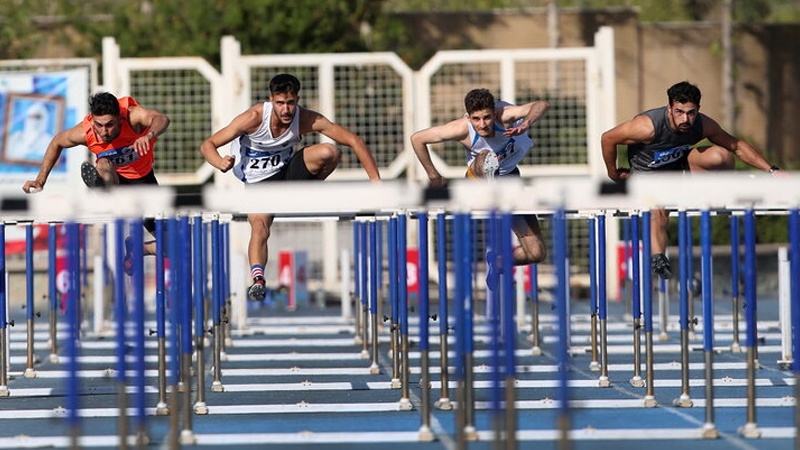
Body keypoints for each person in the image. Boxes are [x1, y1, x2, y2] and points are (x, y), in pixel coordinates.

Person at [199, 73, 381, 301]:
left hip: (287, 174)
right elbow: (208, 145)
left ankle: (305, 193)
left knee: (330, 152)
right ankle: (258, 279)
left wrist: (377, 185)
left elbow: (355, 141)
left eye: (291, 103)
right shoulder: (254, 117)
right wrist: (219, 162)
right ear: (271, 100)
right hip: (258, 184)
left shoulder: (305, 118)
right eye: (280, 103)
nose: (286, 110)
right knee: (259, 228)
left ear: (297, 100)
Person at [601, 80, 781, 279]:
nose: (685, 119)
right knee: (658, 210)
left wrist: (772, 170)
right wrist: (613, 173)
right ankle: (658, 258)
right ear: (669, 108)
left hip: (681, 168)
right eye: (679, 112)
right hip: (649, 178)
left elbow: (736, 146)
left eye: (691, 112)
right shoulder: (646, 127)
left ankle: (723, 193)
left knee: (721, 155)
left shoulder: (703, 124)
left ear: (698, 109)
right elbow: (608, 138)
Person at [410, 88, 550, 286]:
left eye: (487, 118)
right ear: (468, 117)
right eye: (476, 119)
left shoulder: (505, 115)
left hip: (509, 179)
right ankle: (490, 195)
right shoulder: (460, 128)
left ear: (494, 113)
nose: (482, 124)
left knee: (536, 253)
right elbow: (417, 139)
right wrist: (434, 175)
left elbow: (542, 105)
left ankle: (498, 262)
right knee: (485, 157)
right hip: (476, 178)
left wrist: (526, 122)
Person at [22, 92, 171, 273]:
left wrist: (148, 135)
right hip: (114, 179)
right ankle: (103, 189)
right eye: (99, 125)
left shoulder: (133, 117)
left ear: (120, 119)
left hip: (143, 181)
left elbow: (162, 119)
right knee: (103, 163)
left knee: (173, 248)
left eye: (109, 125)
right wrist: (40, 179)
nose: (104, 132)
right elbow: (57, 142)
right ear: (92, 120)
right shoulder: (86, 132)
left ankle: (140, 248)